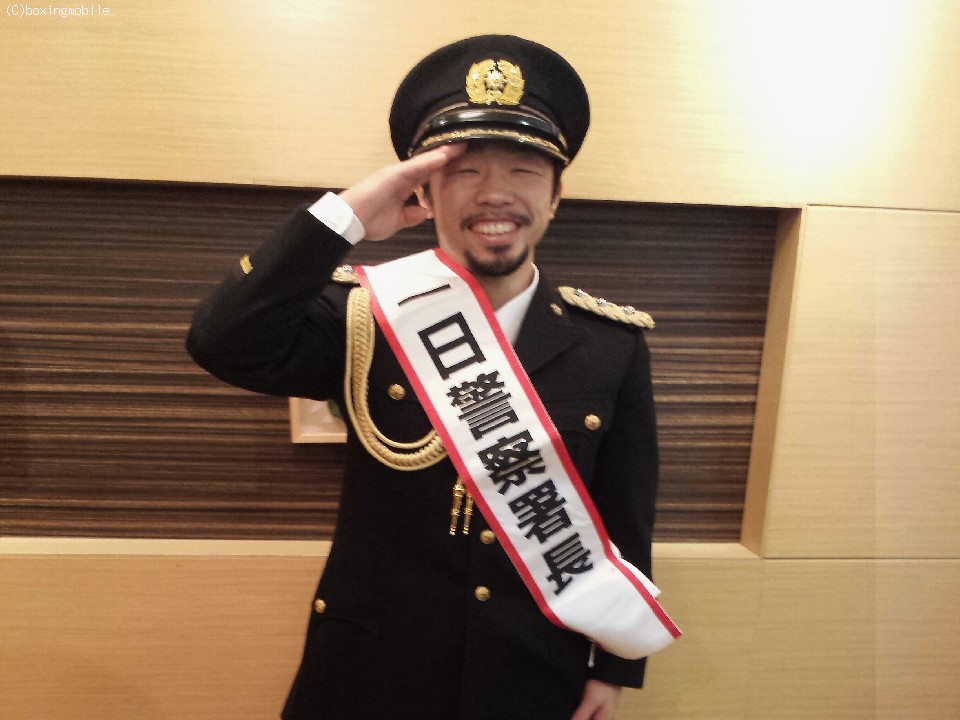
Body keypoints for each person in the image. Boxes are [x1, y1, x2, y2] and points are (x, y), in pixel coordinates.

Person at [187, 34, 675, 720]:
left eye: (524, 170)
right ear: (425, 190)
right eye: (464, 171)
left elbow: (626, 515)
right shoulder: (363, 314)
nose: (495, 194)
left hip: (534, 669)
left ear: (556, 195)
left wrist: (615, 667)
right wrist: (348, 216)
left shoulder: (610, 344)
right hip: (371, 670)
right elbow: (222, 340)